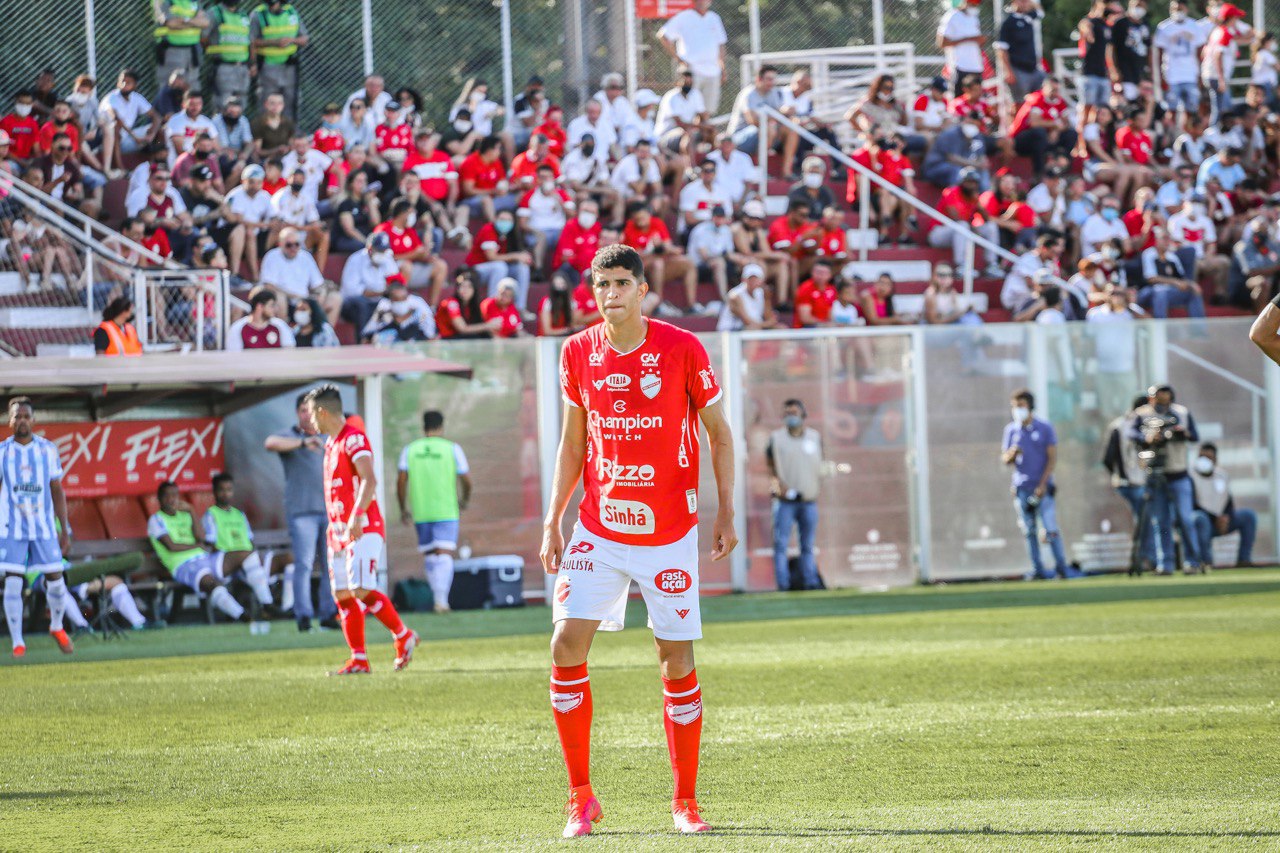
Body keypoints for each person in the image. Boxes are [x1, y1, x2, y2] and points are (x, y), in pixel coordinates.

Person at [540, 244, 735, 837]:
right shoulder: (577, 352)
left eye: (623, 283)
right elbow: (575, 444)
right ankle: (581, 797)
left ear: (643, 290)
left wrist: (726, 512)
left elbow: (719, 435)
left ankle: (685, 802)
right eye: (602, 285)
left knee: (674, 659)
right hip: (598, 528)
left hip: (670, 532)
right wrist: (554, 518)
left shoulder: (682, 348)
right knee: (565, 647)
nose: (611, 294)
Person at [305, 384, 417, 675]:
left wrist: (356, 515)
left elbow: (369, 479)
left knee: (362, 588)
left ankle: (403, 635)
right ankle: (359, 658)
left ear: (322, 411)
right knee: (343, 594)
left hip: (363, 526)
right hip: (338, 531)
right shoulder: (330, 444)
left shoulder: (353, 439)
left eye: (310, 414)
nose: (309, 421)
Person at [1, 398, 74, 657]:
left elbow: (57, 491)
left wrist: (64, 529)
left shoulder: (47, 450)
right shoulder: (2, 452)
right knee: (12, 583)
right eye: (16, 416)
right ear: (9, 421)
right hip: (12, 529)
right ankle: (18, 642)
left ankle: (56, 626)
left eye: (25, 416)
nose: (21, 420)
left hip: (43, 527)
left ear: (33, 420)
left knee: (56, 580)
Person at [265, 393, 336, 631]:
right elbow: (270, 443)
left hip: (328, 512)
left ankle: (328, 613)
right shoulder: (291, 436)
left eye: (313, 410)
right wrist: (303, 443)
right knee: (304, 565)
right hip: (302, 512)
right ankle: (303, 616)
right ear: (298, 412)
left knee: (330, 566)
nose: (309, 414)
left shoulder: (328, 436)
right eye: (304, 410)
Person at [397, 411, 472, 614]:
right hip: (446, 509)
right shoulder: (452, 449)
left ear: (423, 426)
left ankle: (438, 598)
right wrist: (465, 499)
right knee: (443, 553)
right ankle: (442, 600)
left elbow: (401, 480)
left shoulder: (410, 450)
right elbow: (466, 479)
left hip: (422, 510)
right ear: (441, 426)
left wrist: (403, 508)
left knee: (431, 554)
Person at [1002, 390, 1081, 580]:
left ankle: (1061, 567)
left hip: (1042, 486)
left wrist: (1043, 484)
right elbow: (1005, 459)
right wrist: (1012, 454)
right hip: (1021, 486)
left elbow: (1051, 458)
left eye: (1020, 406)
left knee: (1050, 528)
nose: (1017, 410)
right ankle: (1037, 569)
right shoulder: (1012, 430)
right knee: (1028, 530)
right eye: (1014, 406)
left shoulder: (1044, 428)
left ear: (1030, 406)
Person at [1127, 384, 1204, 574]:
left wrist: (1181, 433)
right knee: (1160, 521)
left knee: (1185, 519)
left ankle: (1193, 561)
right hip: (1154, 474)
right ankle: (1165, 563)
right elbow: (1130, 433)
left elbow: (1194, 436)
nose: (1161, 402)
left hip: (1178, 473)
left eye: (1164, 397)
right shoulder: (1142, 414)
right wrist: (1149, 437)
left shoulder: (1182, 413)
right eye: (1156, 398)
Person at [148, 480, 246, 623]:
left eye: (175, 495)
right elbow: (172, 546)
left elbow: (201, 537)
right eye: (167, 496)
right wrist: (197, 546)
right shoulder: (156, 519)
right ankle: (242, 616)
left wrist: (192, 511)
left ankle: (265, 606)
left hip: (204, 559)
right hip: (182, 565)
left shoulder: (185, 515)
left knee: (245, 557)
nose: (171, 499)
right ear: (159, 498)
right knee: (211, 583)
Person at [765, 399, 824, 591]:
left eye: (795, 412)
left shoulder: (814, 437)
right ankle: (783, 584)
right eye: (787, 413)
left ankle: (810, 582)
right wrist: (781, 488)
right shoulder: (776, 438)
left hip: (808, 500)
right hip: (785, 501)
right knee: (781, 544)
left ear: (803, 415)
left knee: (807, 544)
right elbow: (771, 466)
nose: (791, 417)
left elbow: (820, 464)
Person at [201, 473, 275, 614]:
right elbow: (211, 544)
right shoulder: (211, 514)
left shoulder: (239, 514)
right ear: (215, 492)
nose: (225, 493)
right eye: (221, 489)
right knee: (249, 558)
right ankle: (267, 604)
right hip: (224, 560)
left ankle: (284, 607)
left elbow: (250, 540)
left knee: (287, 559)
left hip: (247, 560)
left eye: (229, 489)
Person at [1103, 394, 1157, 571]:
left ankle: (1146, 557)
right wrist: (1121, 476)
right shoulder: (1121, 427)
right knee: (1145, 519)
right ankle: (1145, 558)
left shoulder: (1141, 426)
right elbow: (1108, 458)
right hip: (1131, 482)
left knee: (1146, 519)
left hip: (1137, 481)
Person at [1191, 443, 1256, 568]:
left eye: (1208, 458)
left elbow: (1227, 501)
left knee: (1248, 516)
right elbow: (1193, 505)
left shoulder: (1222, 475)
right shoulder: (1191, 476)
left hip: (1222, 522)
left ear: (1215, 460)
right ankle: (1206, 562)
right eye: (1201, 457)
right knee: (1199, 518)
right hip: (1205, 522)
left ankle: (1244, 560)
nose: (1204, 461)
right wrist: (1215, 519)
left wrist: (1227, 517)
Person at [657, 0, 728, 113]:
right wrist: (679, 60)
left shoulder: (714, 18)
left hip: (713, 72)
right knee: (689, 110)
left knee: (707, 112)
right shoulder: (684, 16)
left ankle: (702, 130)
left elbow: (721, 44)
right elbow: (663, 36)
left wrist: (722, 67)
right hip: (691, 72)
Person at [250, 0, 308, 117]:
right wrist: (275, 42)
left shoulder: (291, 11)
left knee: (291, 102)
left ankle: (289, 132)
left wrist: (291, 40)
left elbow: (304, 39)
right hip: (267, 67)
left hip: (289, 66)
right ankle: (266, 132)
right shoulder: (258, 14)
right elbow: (251, 41)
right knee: (267, 102)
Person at [725, 65, 783, 156]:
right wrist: (774, 117)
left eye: (774, 79)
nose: (772, 82)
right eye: (769, 79)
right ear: (759, 79)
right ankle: (761, 165)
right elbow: (753, 120)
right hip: (738, 137)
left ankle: (789, 166)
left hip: (765, 133)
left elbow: (779, 115)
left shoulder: (773, 92)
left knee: (788, 130)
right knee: (767, 128)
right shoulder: (748, 94)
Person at [205, 0, 254, 107]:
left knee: (241, 105)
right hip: (223, 67)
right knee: (224, 104)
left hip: (243, 67)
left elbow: (249, 41)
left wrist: (252, 63)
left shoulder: (243, 15)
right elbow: (203, 37)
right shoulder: (214, 13)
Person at [226, 288, 296, 350]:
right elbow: (234, 357)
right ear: (259, 306)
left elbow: (289, 351)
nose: (275, 309)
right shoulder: (238, 328)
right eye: (272, 305)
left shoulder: (280, 325)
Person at [717, 263, 780, 331]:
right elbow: (747, 321)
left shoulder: (760, 293)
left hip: (752, 328)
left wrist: (767, 299)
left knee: (781, 328)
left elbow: (769, 318)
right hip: (731, 331)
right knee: (753, 330)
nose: (753, 281)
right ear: (744, 280)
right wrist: (767, 324)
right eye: (750, 278)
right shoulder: (735, 295)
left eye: (756, 278)